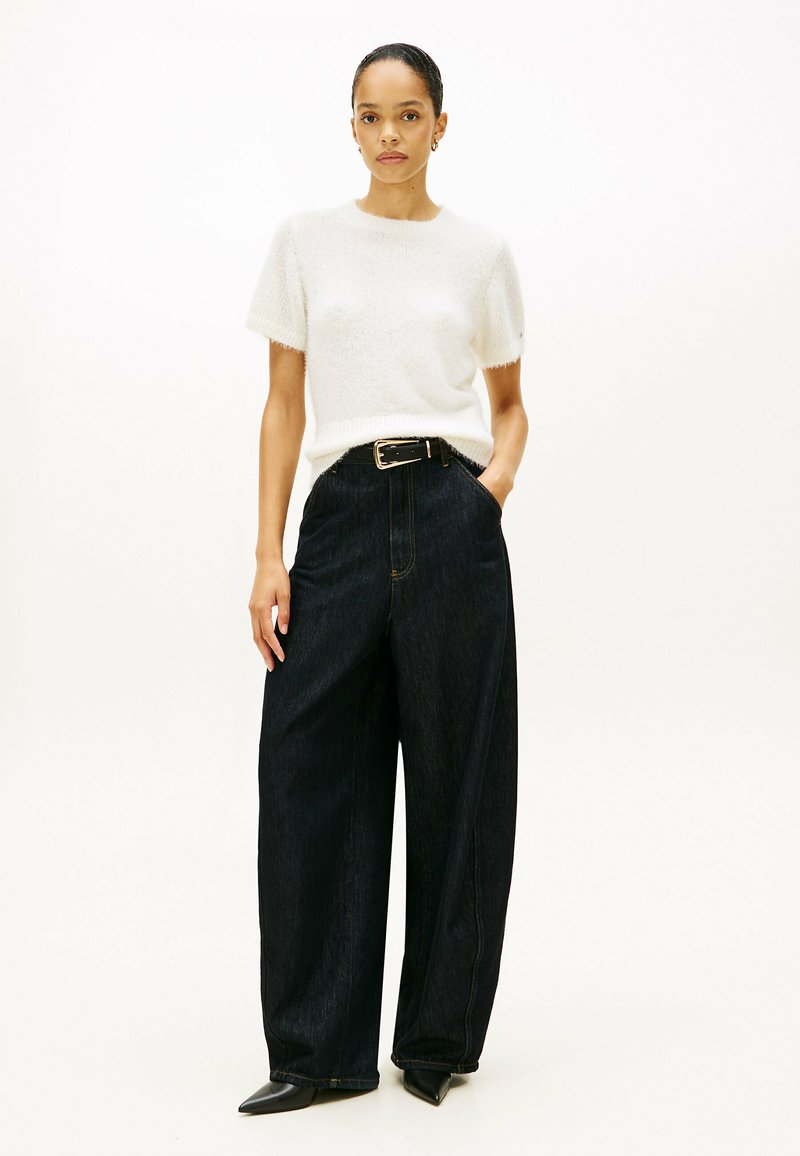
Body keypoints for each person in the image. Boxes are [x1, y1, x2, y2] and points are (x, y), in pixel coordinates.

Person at [238, 42, 528, 1115]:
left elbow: (510, 406)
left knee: (461, 773)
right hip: (342, 515)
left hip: (451, 510)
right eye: (370, 116)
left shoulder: (479, 254)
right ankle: (317, 1051)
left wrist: (485, 494)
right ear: (351, 127)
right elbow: (283, 403)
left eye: (409, 115)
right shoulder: (306, 243)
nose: (390, 135)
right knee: (308, 768)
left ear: (441, 125)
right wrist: (268, 553)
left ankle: (437, 1040)